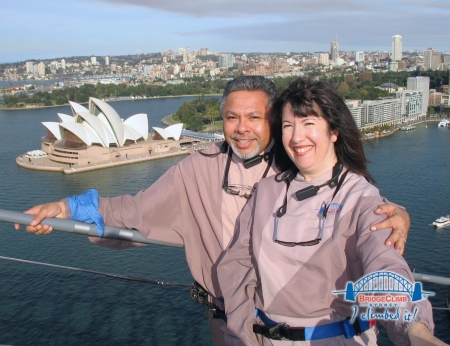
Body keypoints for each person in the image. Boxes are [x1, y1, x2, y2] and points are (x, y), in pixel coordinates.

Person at [15, 76, 411, 345]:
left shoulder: (295, 166)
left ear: (273, 120)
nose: (242, 128)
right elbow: (136, 209)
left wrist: (398, 214)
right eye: (231, 117)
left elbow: (359, 209)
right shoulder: (199, 168)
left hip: (316, 329)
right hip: (230, 325)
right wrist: (69, 205)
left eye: (255, 118)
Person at [217, 78, 444, 345]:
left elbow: (385, 266)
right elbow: (237, 267)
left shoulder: (361, 197)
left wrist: (415, 329)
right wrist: (241, 333)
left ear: (334, 131)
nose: (296, 136)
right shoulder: (266, 192)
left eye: (309, 123)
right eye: (288, 126)